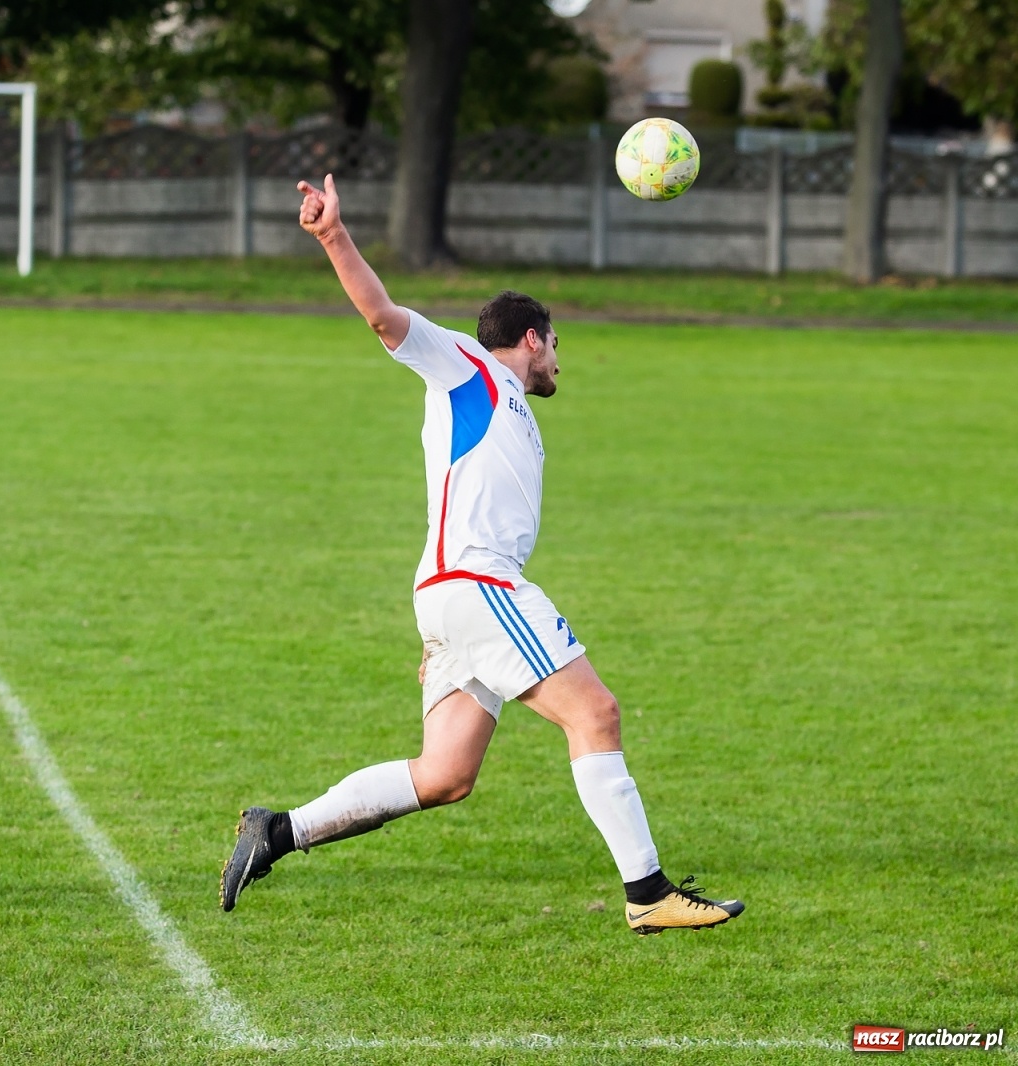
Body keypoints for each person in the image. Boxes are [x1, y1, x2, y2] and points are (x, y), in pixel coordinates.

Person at [219, 176, 744, 936]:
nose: (561, 359)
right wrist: (334, 236)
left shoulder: (514, 406)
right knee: (595, 713)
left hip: (454, 596)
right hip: (477, 583)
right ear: (531, 337)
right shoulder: (470, 367)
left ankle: (277, 831)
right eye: (557, 343)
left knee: (445, 776)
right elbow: (381, 317)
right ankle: (648, 893)